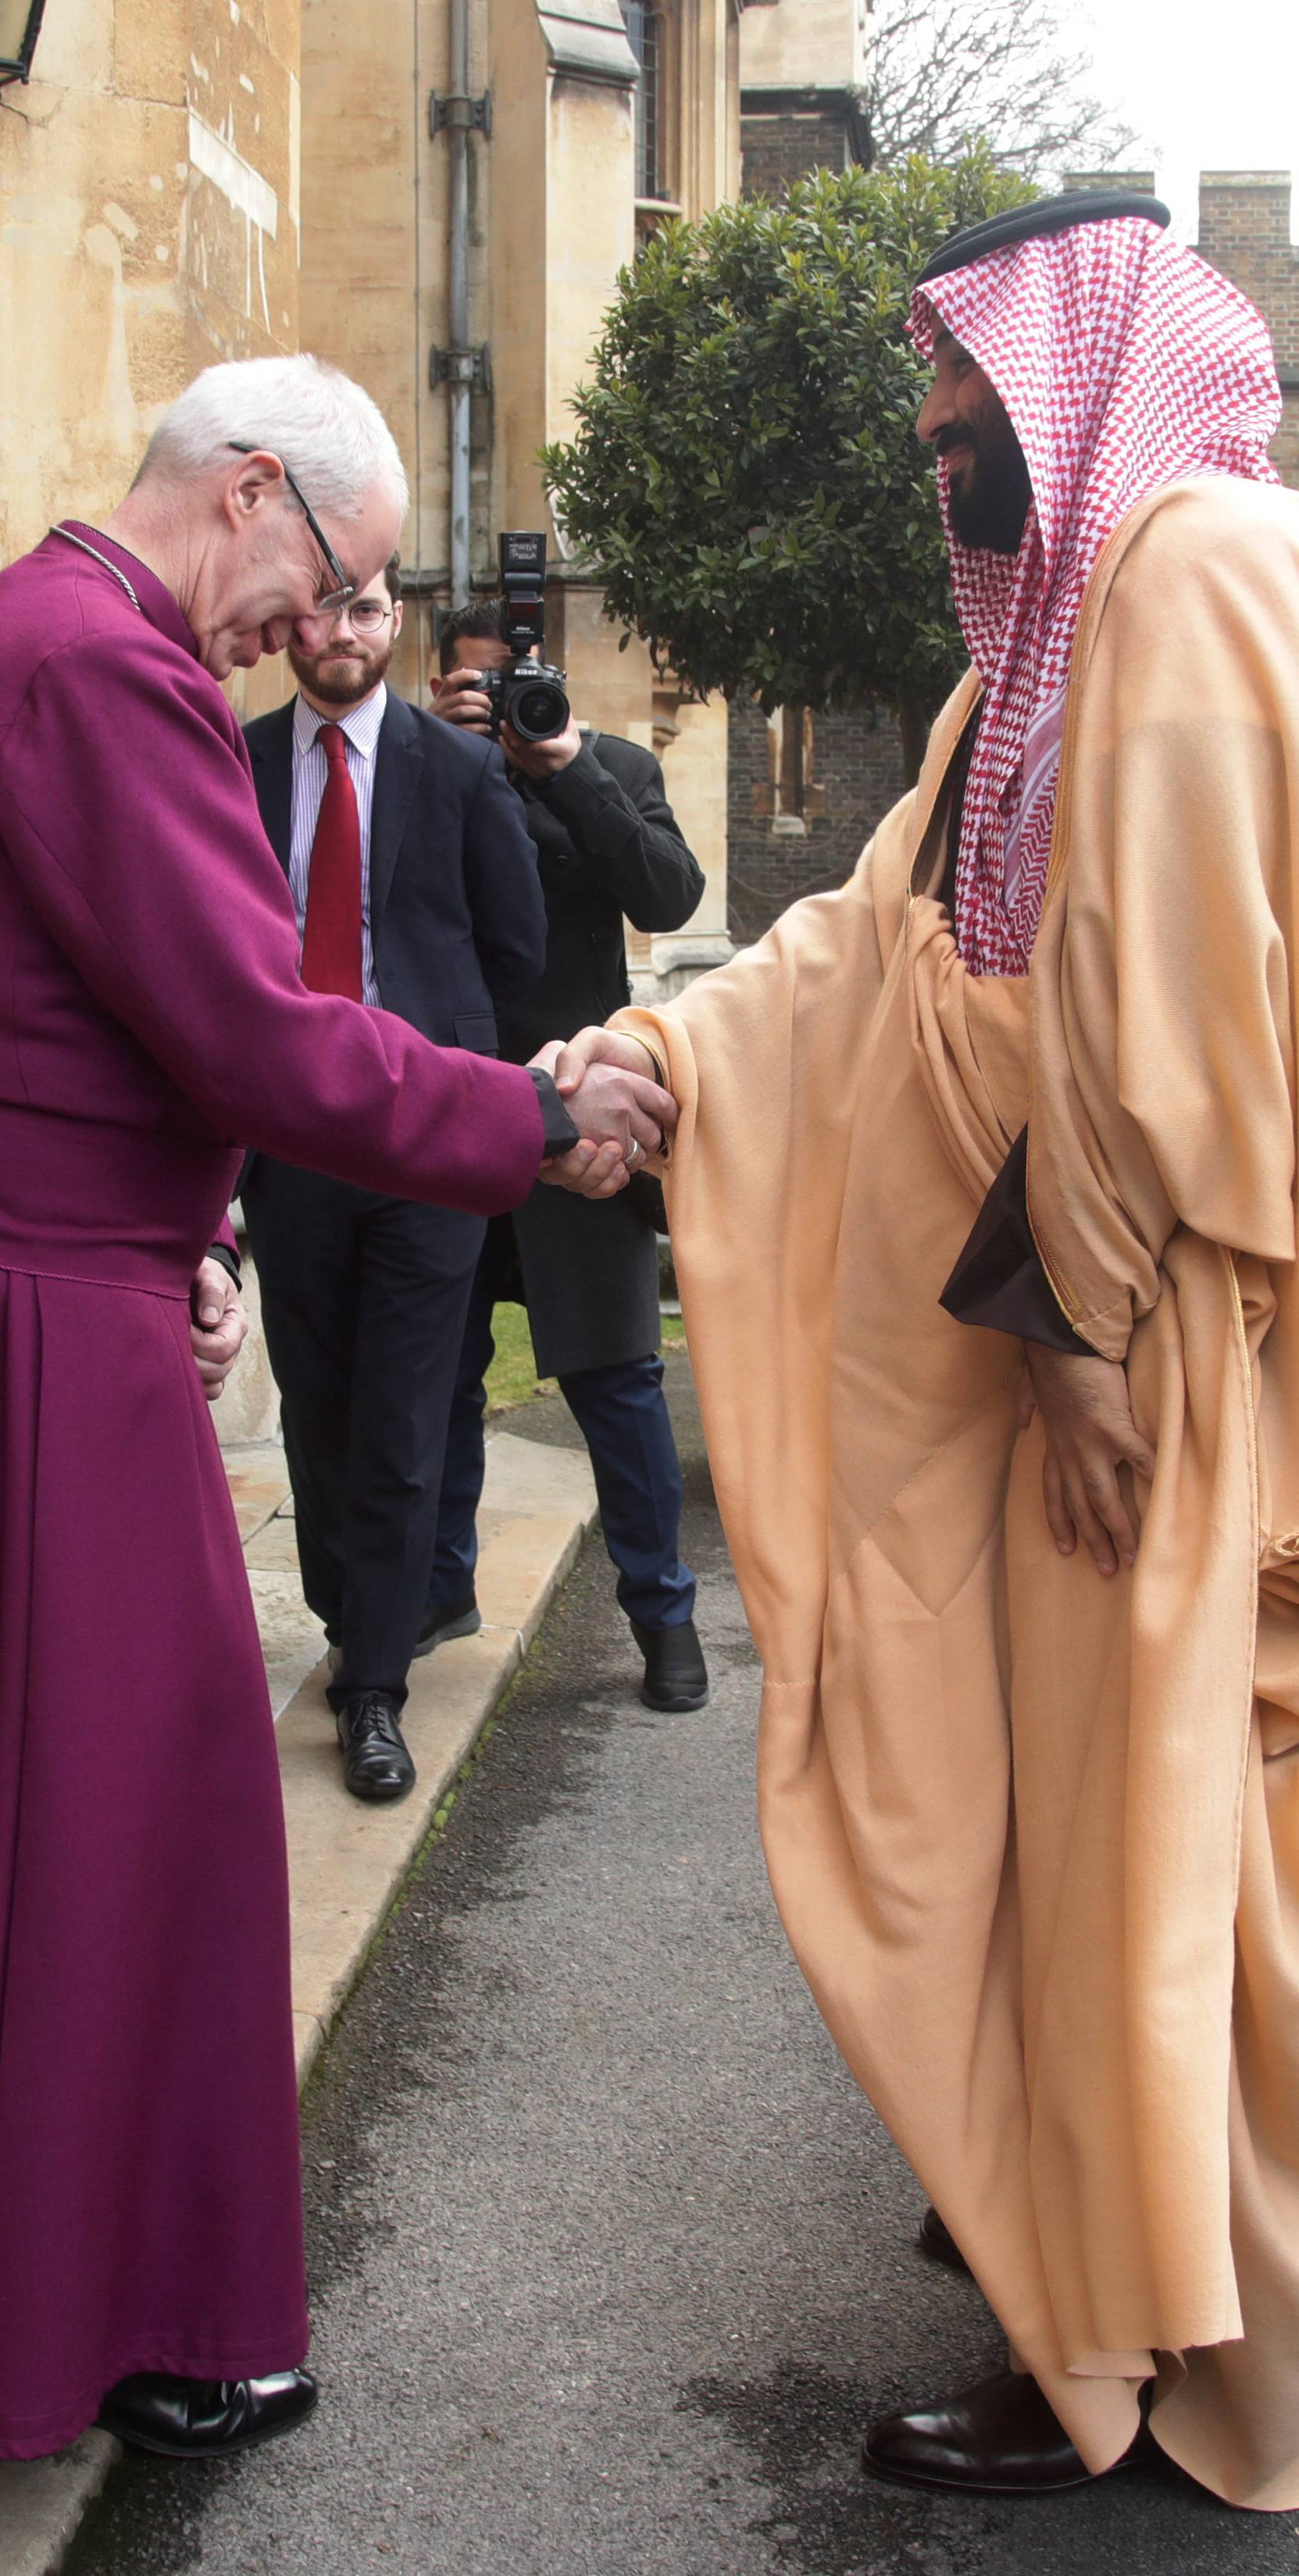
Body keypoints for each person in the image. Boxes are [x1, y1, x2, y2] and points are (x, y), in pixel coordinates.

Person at [0, 353, 673, 2463]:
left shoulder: (38, 631)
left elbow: (69, 1035)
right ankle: (118, 2316)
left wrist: (163, 1228)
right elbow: (263, 1035)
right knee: (136, 1809)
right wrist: (534, 1112)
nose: (320, 630)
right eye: (332, 576)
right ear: (254, 488)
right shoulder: (106, 666)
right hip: (20, 1342)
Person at [555, 191, 1299, 2510]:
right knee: (1082, 1855)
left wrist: (1077, 1324)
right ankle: (1085, 2253)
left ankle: (1174, 2353)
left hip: (1156, 1372)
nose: (923, 416)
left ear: (1065, 358)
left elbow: (1200, 1031)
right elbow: (876, 957)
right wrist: (658, 1063)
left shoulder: (1191, 573)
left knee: (1181, 1867)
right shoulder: (1032, 662)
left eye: (950, 370)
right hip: (1070, 1356)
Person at [240, 556, 545, 1802]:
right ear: (288, 627)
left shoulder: (462, 769)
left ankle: (375, 1685)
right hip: (294, 1137)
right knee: (318, 1402)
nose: (341, 630)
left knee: (410, 1412)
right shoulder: (238, 762)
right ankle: (349, 1609)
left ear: (393, 623)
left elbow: (514, 951)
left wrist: (465, 1085)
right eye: (319, 608)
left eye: (364, 607)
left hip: (424, 1142)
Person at [426, 602, 709, 1713]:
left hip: (583, 1113)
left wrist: (565, 767)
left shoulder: (614, 766)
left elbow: (668, 894)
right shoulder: (415, 770)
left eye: (518, 681)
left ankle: (667, 1622)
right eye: (478, 688)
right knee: (433, 1378)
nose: (503, 704)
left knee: (618, 1380)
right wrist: (450, 758)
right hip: (446, 1112)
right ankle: (439, 1590)